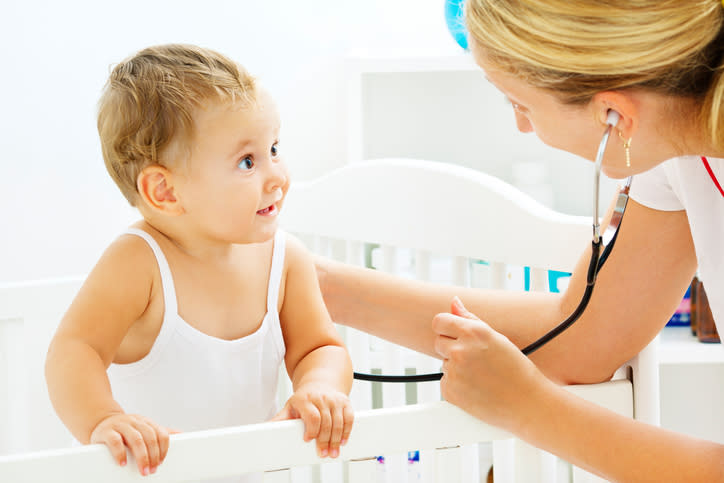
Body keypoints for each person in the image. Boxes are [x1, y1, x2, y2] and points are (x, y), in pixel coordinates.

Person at [315, 1, 724, 481]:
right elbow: (581, 339)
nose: (521, 126)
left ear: (614, 116)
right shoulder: (674, 145)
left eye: (519, 103)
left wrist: (531, 409)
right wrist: (313, 286)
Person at [45, 44, 354, 480]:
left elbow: (319, 347)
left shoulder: (285, 260)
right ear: (165, 192)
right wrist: (103, 419)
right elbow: (74, 351)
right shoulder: (139, 263)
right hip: (138, 472)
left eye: (274, 149)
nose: (277, 176)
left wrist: (320, 387)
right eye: (248, 161)